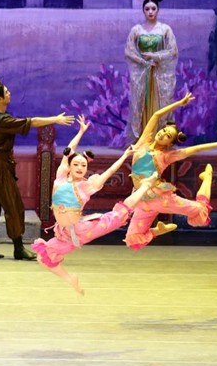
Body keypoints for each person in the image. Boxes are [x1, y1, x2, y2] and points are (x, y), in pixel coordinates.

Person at [31, 115, 158, 294]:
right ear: (70, 166)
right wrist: (81, 132)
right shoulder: (60, 178)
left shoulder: (87, 185)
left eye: (83, 165)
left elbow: (110, 171)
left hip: (83, 230)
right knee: (43, 257)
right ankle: (70, 279)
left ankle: (145, 186)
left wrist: (124, 155)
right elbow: (69, 151)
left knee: (120, 213)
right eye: (76, 164)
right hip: (64, 235)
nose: (80, 167)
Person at [0, 75, 74, 260]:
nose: (9, 93)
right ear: (0, 99)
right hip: (0, 168)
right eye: (6, 92)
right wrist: (54, 119)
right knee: (14, 206)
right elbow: (31, 122)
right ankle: (18, 248)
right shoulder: (1, 120)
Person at [124, 93, 217, 249]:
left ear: (169, 143)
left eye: (168, 136)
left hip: (160, 197)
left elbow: (193, 149)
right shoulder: (143, 142)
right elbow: (156, 115)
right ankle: (158, 231)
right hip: (142, 201)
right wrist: (179, 103)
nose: (163, 134)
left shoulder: (166, 156)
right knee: (132, 239)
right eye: (164, 131)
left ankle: (207, 178)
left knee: (199, 210)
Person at [125, 0, 178, 143]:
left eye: (153, 8)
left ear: (158, 10)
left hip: (159, 74)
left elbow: (173, 51)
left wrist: (155, 57)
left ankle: (159, 139)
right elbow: (129, 51)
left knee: (161, 103)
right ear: (143, 10)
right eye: (147, 9)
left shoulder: (165, 29)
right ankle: (142, 140)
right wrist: (144, 61)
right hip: (142, 74)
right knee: (140, 103)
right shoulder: (137, 29)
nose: (150, 11)